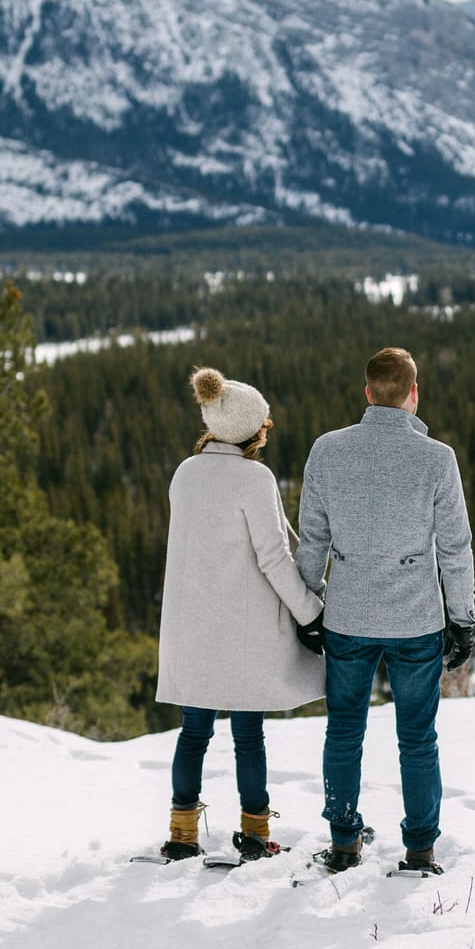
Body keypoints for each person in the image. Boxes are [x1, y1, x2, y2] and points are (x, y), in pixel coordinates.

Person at [297, 346, 475, 874]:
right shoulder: (437, 458)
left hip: (348, 616)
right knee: (417, 738)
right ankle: (420, 849)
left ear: (368, 393)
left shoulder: (327, 451)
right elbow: (455, 547)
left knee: (344, 731)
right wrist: (462, 617)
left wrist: (309, 608)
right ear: (414, 395)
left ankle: (343, 841)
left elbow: (312, 540)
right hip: (416, 619)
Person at [154, 367, 327, 861]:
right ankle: (254, 834)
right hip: (243, 631)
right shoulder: (255, 478)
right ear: (252, 430)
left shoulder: (186, 473)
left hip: (192, 629)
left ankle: (182, 834)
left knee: (194, 733)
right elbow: (274, 557)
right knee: (248, 735)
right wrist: (310, 614)